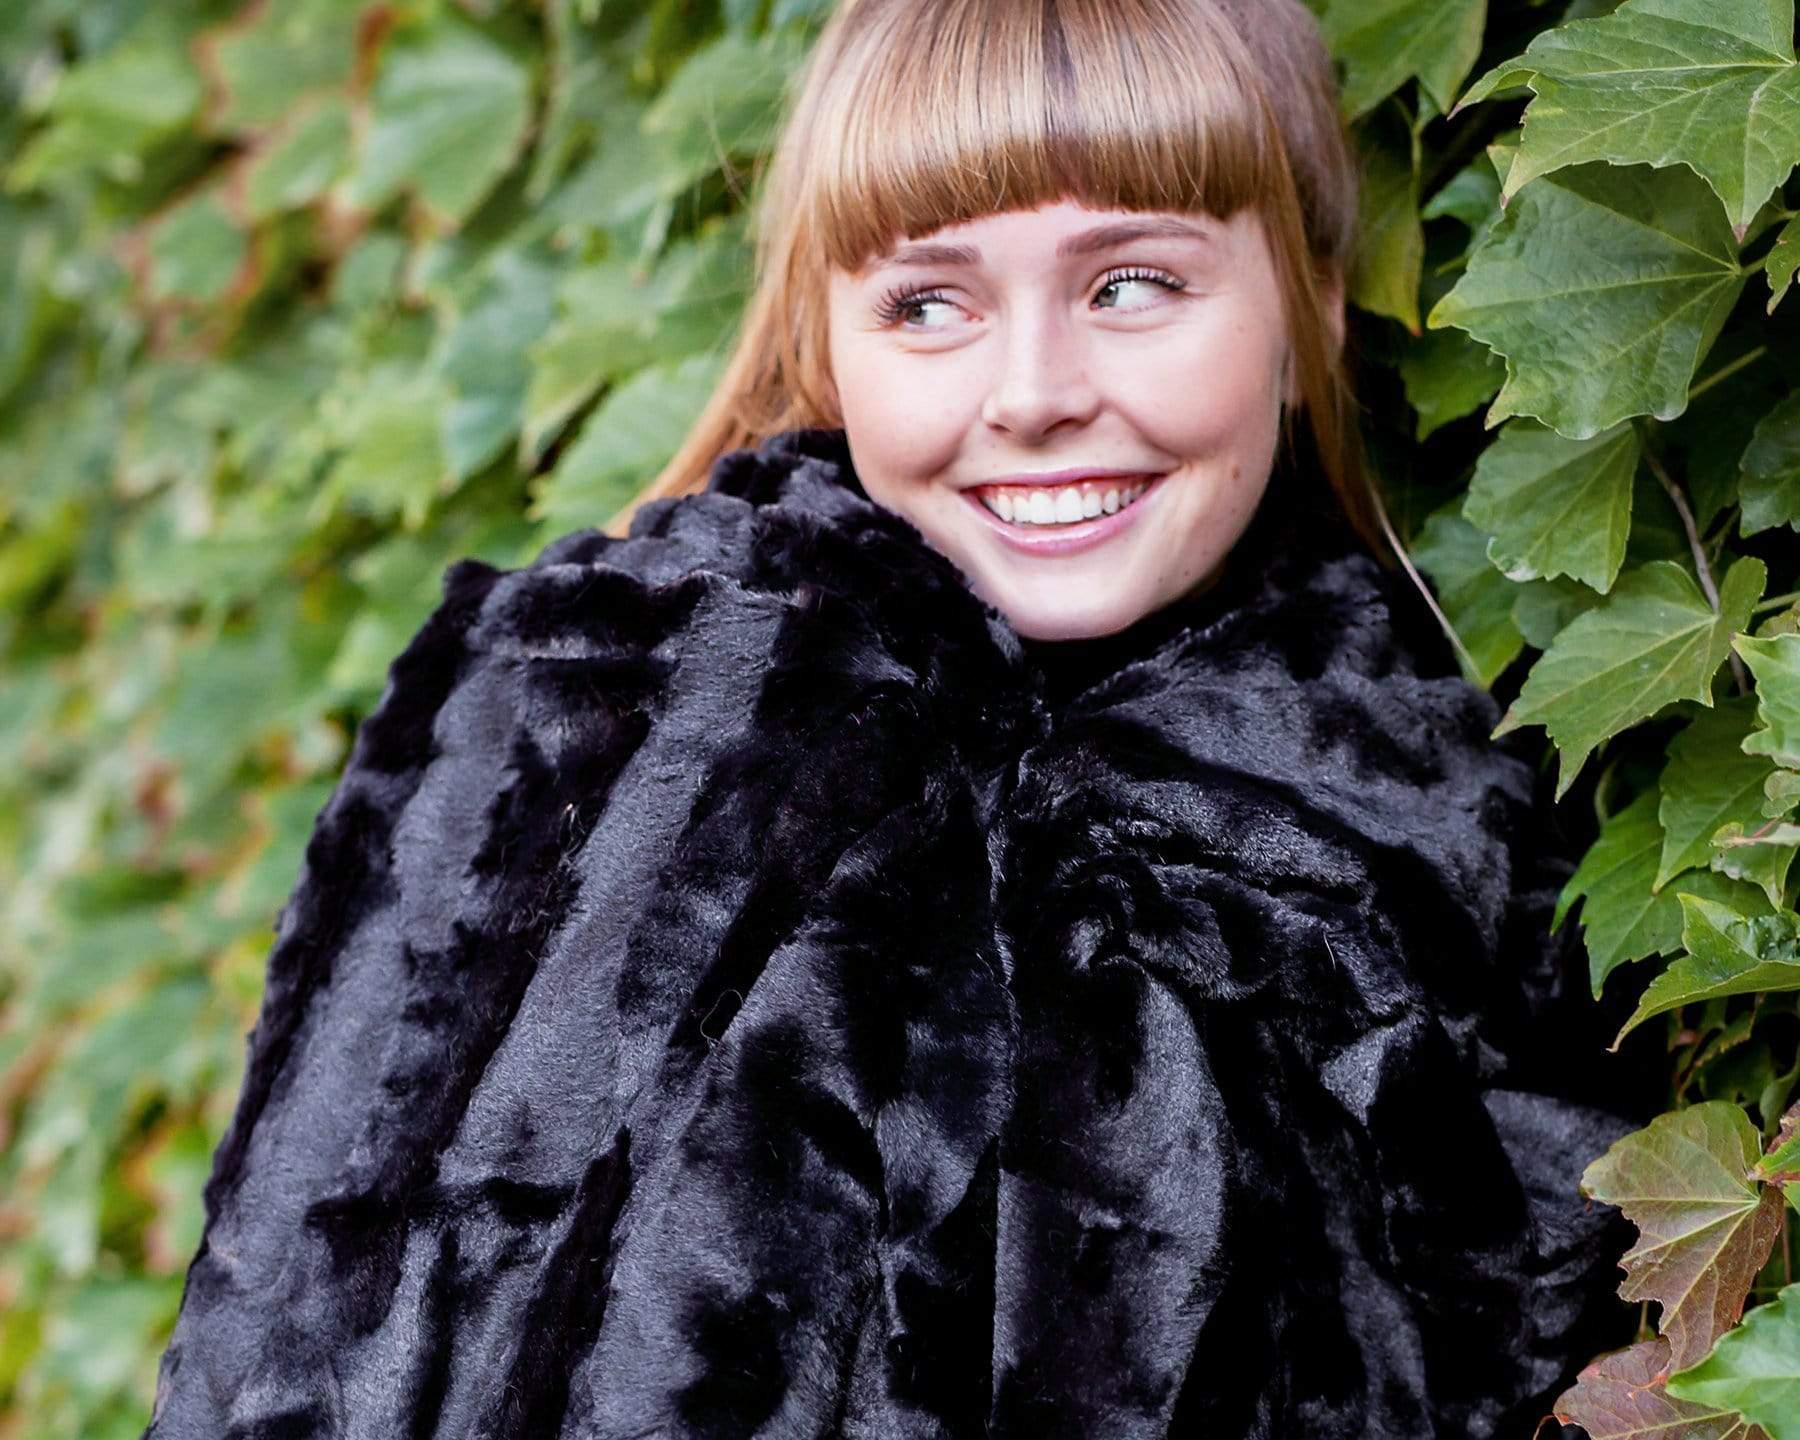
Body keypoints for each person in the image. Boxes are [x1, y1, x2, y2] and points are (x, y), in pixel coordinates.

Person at [141, 1, 1653, 1436]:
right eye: (929, 302)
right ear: (830, 337)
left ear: (1308, 300)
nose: (1034, 391)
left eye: (1132, 282)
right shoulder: (611, 715)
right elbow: (321, 1309)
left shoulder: (1441, 816)